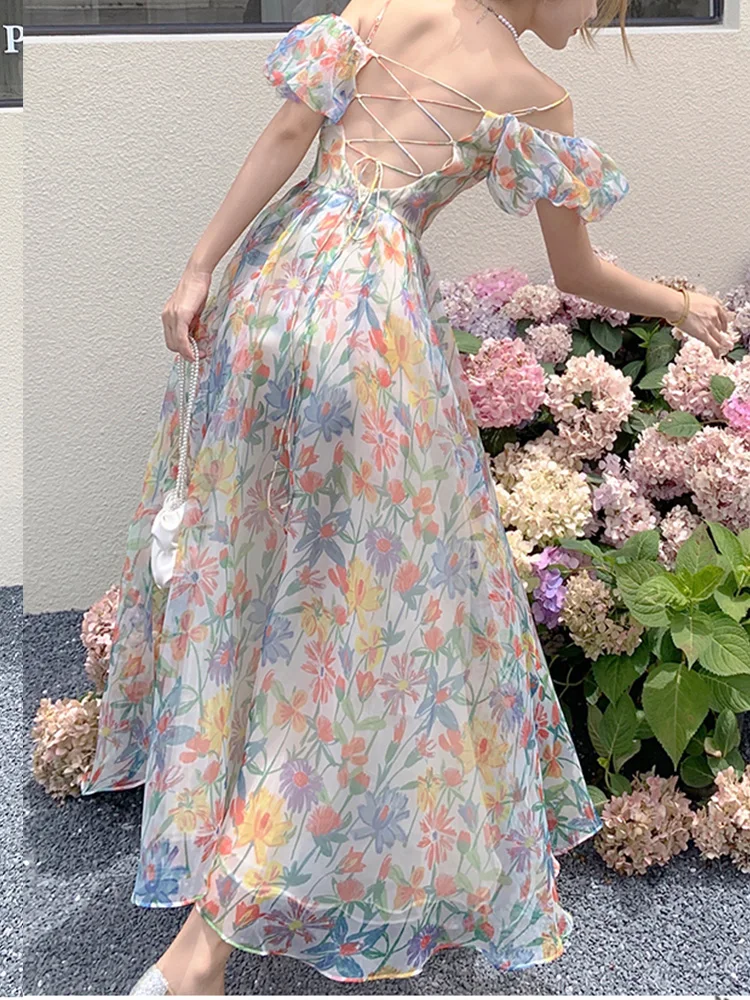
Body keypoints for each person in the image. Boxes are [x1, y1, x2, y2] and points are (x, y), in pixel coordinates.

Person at [80, 0, 734, 993]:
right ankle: (216, 934)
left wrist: (198, 268)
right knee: (358, 623)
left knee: (245, 573)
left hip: (268, 290)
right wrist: (683, 305)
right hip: (368, 336)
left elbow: (290, 138)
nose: (596, 22)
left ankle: (226, 843)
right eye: (601, 3)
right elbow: (579, 269)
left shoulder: (386, 4)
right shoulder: (537, 99)